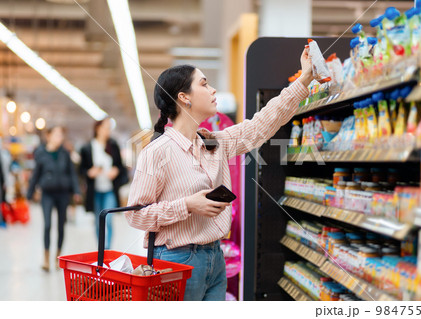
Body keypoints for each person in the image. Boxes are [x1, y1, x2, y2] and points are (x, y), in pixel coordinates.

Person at [125, 47, 313, 300]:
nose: (213, 90)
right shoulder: (157, 152)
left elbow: (261, 124)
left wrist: (304, 80)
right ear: (184, 97)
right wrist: (188, 205)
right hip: (174, 260)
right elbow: (136, 216)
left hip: (215, 256)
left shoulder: (212, 143)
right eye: (204, 84)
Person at [27, 126, 82, 271]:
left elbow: (72, 174)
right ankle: (45, 258)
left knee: (61, 226)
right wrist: (29, 193)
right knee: (47, 225)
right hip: (47, 194)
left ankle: (57, 257)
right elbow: (35, 175)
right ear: (48, 136)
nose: (60, 138)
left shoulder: (65, 153)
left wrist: (76, 191)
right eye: (57, 134)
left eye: (61, 135)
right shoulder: (41, 153)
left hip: (63, 194)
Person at [79, 118, 128, 250]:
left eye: (109, 128)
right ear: (98, 129)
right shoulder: (87, 148)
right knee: (97, 221)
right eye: (105, 127)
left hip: (109, 190)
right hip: (94, 191)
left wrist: (116, 170)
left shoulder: (113, 146)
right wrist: (90, 172)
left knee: (109, 219)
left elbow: (121, 167)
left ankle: (107, 249)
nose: (108, 131)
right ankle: (100, 247)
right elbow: (81, 169)